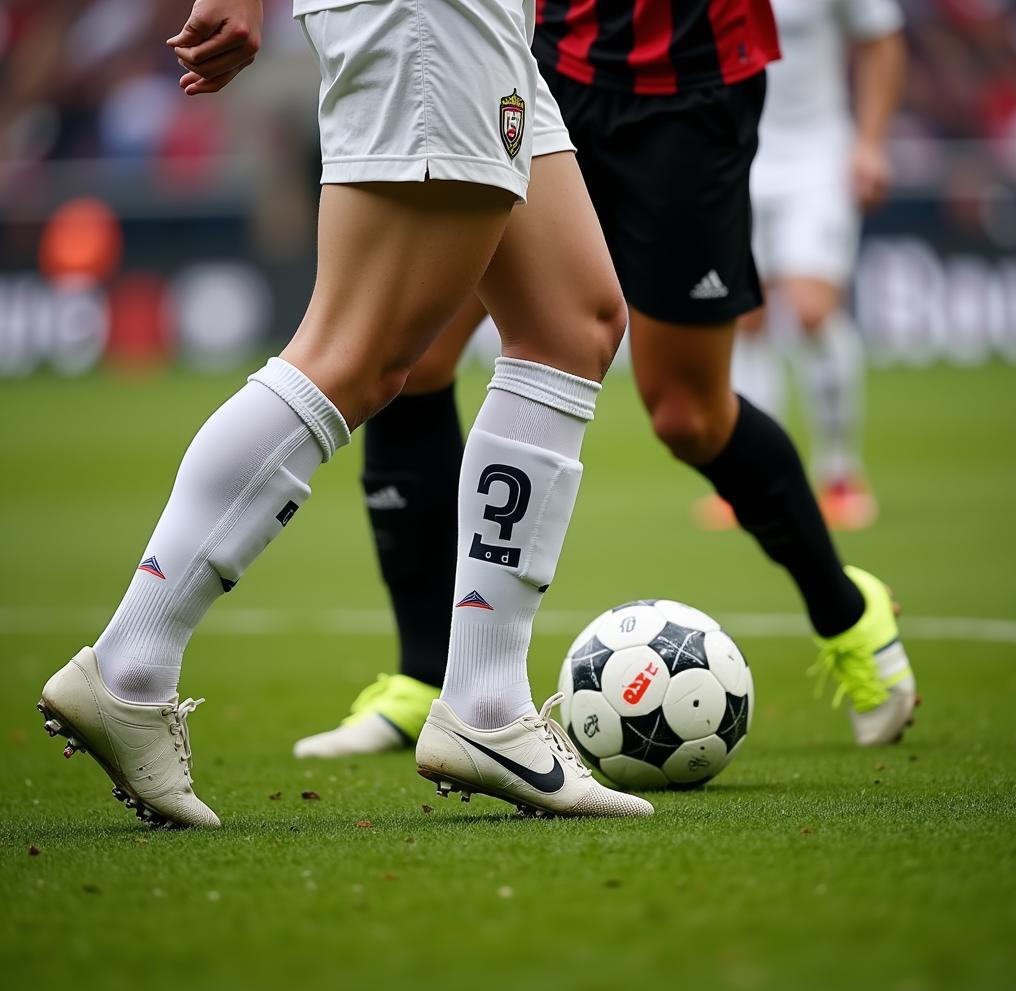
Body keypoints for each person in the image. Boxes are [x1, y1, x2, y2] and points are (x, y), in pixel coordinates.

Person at [36, 0, 656, 827]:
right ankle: (130, 668)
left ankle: (485, 703)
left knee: (572, 323)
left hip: (484, 23)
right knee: (353, 355)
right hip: (435, 19)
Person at [295, 0, 917, 762]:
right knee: (415, 356)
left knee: (688, 413)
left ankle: (850, 614)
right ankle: (427, 675)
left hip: (690, 87)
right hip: (536, 64)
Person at [728, 0, 906, 531]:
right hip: (734, 154)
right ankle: (759, 477)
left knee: (810, 308)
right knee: (744, 316)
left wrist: (871, 143)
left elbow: (882, 43)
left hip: (816, 158)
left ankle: (839, 471)